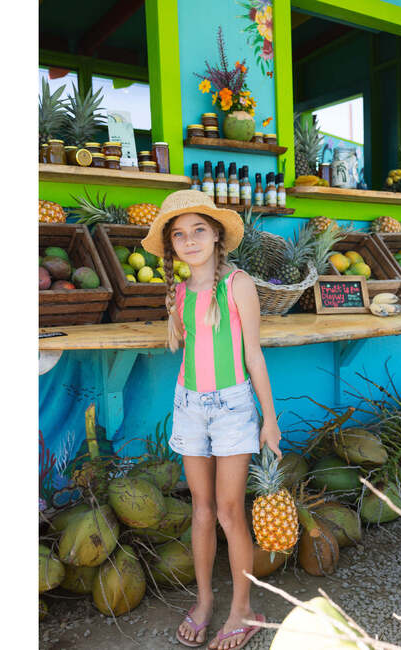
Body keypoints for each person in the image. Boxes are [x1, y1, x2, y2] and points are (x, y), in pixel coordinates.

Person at [141, 189, 282, 650]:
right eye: (179, 235)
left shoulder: (237, 283)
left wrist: (269, 419)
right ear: (172, 247)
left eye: (198, 229)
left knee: (227, 511)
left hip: (233, 408)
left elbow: (253, 355)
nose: (189, 240)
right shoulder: (178, 293)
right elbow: (190, 348)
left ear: (217, 233)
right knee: (200, 511)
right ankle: (204, 602)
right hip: (188, 404)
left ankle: (243, 607)